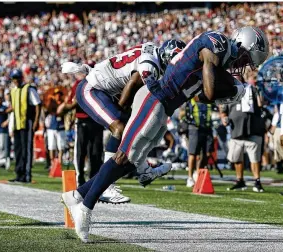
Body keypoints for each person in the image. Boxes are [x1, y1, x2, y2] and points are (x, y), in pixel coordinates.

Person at [62, 26, 270, 242]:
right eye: (246, 59)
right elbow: (208, 91)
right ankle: (85, 208)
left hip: (164, 106)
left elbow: (200, 97)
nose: (243, 66)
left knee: (130, 162)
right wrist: (226, 91)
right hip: (155, 98)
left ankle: (77, 195)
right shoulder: (218, 43)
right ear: (244, 45)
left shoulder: (221, 61)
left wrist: (229, 89)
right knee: (123, 156)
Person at [61, 40, 185, 203]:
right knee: (120, 129)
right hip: (91, 89)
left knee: (132, 135)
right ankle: (107, 186)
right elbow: (133, 83)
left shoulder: (152, 51)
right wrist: (121, 110)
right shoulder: (151, 66)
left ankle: (143, 170)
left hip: (103, 90)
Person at [221, 83, 266, 193]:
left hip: (252, 129)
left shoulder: (252, 89)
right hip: (236, 131)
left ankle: (257, 181)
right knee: (237, 158)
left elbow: (261, 104)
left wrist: (258, 89)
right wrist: (224, 118)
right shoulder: (228, 92)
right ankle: (240, 180)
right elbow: (223, 110)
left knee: (255, 159)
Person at [7, 69, 41, 183]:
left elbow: (37, 105)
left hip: (27, 123)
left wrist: (36, 121)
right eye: (13, 78)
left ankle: (26, 175)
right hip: (17, 124)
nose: (15, 80)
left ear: (21, 78)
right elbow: (13, 108)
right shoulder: (13, 91)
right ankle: (19, 174)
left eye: (17, 78)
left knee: (27, 149)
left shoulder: (29, 89)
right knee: (18, 150)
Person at [183, 97, 214, 187]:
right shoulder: (191, 100)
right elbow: (182, 113)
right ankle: (189, 177)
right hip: (194, 128)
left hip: (207, 128)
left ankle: (198, 172)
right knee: (193, 153)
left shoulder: (208, 100)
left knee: (206, 153)